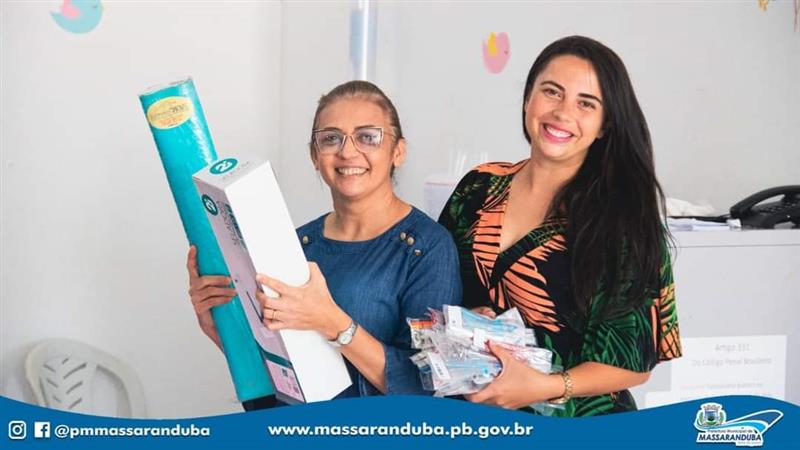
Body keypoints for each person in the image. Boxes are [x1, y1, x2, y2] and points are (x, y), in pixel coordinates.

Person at [438, 36, 681, 417]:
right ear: (528, 100)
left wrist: (549, 386)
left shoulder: (622, 220)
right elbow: (437, 291)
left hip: (580, 427)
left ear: (604, 125)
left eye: (586, 103)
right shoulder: (478, 187)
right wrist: (471, 318)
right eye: (552, 92)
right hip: (475, 419)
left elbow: (634, 362)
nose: (563, 112)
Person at [187, 80, 462, 409]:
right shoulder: (293, 246)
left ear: (398, 152)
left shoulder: (426, 248)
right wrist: (222, 331)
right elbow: (274, 387)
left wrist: (331, 321)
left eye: (367, 137)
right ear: (314, 155)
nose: (347, 151)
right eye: (331, 138)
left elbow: (427, 388)